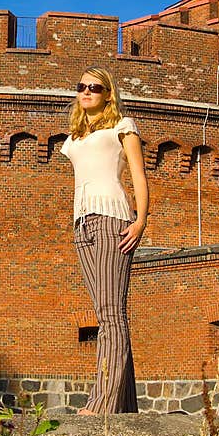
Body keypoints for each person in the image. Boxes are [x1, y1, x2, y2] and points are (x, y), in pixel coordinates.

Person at [59, 65, 149, 415]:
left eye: (94, 87)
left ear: (108, 94)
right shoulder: (75, 138)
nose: (86, 92)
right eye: (81, 86)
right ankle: (125, 408)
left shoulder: (123, 127)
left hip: (113, 220)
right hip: (82, 224)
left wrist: (141, 220)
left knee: (111, 315)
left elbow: (139, 176)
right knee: (104, 312)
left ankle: (102, 403)